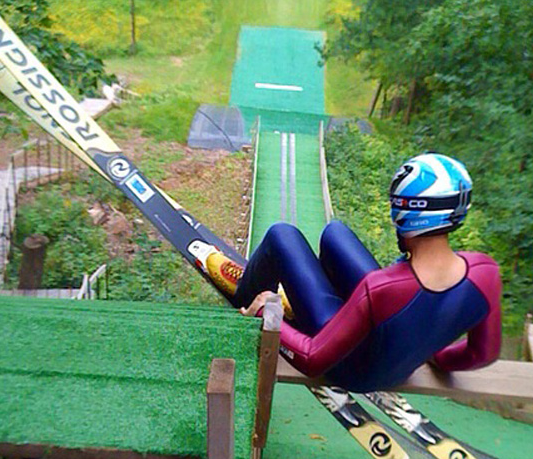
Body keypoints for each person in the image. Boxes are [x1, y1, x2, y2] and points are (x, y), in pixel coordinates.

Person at [211, 152, 501, 393]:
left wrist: (266, 311)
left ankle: (246, 301)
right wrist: (433, 355)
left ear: (403, 213)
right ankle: (317, 306)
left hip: (350, 369)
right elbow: (482, 354)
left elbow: (312, 359)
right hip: (394, 357)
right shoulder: (485, 273)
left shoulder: (380, 288)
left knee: (281, 236)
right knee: (334, 233)